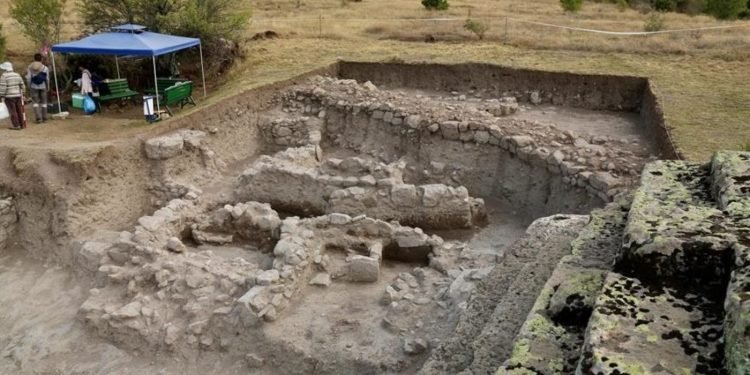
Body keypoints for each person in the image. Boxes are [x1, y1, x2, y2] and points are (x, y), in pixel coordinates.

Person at [0, 62, 27, 130]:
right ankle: (22, 124)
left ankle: (16, 125)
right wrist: (23, 93)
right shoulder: (17, 74)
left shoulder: (4, 76)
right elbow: (22, 85)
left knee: (12, 111)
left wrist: (1, 96)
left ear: (5, 69)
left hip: (9, 96)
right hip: (18, 95)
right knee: (19, 110)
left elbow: (3, 87)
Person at [26, 53, 50, 123]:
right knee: (44, 102)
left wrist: (29, 86)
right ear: (41, 59)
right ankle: (45, 118)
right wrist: (48, 86)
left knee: (35, 103)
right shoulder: (45, 68)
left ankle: (38, 118)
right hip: (43, 86)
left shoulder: (30, 67)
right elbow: (47, 79)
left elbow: (28, 78)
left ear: (34, 58)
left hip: (33, 86)